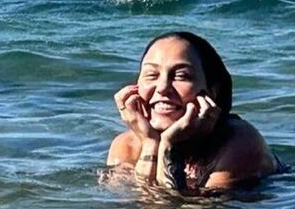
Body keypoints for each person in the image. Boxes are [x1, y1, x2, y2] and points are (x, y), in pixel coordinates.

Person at [107, 31, 281, 193]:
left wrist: (169, 145)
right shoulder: (126, 146)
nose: (162, 88)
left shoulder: (240, 143)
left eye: (181, 76)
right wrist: (151, 143)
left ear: (213, 91)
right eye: (152, 75)